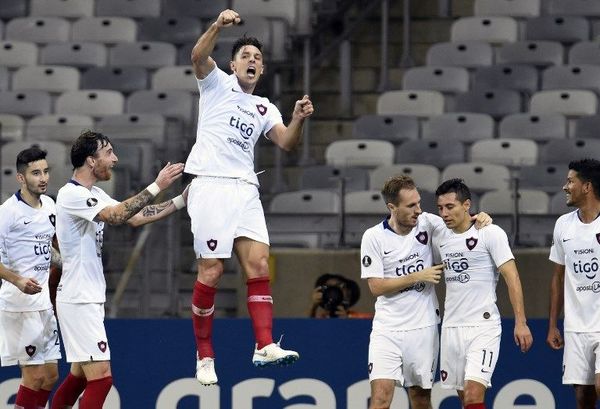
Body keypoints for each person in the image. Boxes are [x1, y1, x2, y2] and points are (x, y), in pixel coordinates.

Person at [185, 8, 314, 385]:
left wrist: (298, 118)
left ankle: (263, 345)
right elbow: (196, 56)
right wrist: (217, 26)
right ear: (232, 63)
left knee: (258, 266)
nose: (253, 61)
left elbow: (287, 143)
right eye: (246, 56)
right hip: (211, 183)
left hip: (245, 189)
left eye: (258, 58)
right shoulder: (215, 84)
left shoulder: (264, 107)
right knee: (211, 270)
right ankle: (204, 355)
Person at [51, 131, 186, 409]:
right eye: (108, 152)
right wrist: (156, 185)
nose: (115, 159)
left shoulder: (95, 193)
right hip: (78, 298)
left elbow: (134, 217)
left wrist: (183, 200)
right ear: (91, 160)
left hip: (87, 295)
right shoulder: (70, 194)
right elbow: (116, 216)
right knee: (101, 380)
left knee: (79, 377)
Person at [360, 175, 492, 409]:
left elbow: (461, 225)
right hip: (386, 329)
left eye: (419, 203)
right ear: (392, 207)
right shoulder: (373, 237)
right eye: (411, 205)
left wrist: (480, 217)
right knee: (380, 398)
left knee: (420, 398)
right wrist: (416, 276)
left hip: (423, 327)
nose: (419, 210)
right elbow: (375, 287)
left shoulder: (429, 223)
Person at [433, 179, 533, 409]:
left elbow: (512, 277)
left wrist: (521, 322)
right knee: (464, 399)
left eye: (450, 207)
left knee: (473, 394)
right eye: (440, 208)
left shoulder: (490, 233)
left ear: (466, 204)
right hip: (451, 327)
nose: (444, 213)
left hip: (483, 326)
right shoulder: (439, 236)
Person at [0, 147, 62, 409]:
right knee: (34, 376)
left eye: (46, 171)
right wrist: (17, 280)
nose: (43, 178)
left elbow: (48, 248)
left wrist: (65, 261)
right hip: (19, 305)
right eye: (35, 173)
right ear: (21, 178)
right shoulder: (8, 212)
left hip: (44, 305)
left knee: (49, 377)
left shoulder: (50, 205)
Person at [546, 159, 600, 409]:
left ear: (587, 186)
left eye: (570, 181)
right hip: (576, 326)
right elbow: (558, 277)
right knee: (583, 397)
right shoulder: (563, 225)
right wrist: (553, 325)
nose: (565, 186)